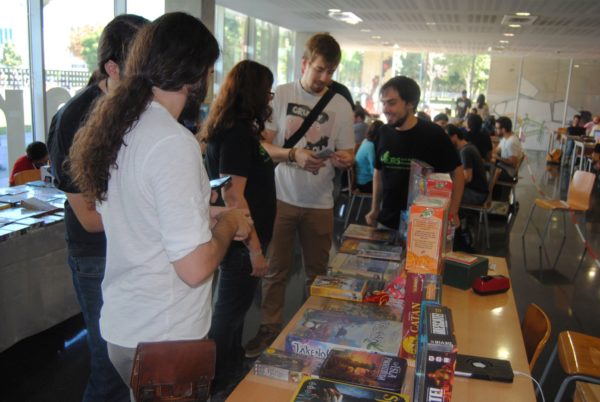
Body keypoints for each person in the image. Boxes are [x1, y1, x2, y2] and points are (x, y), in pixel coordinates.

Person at [67, 12, 253, 389]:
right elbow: (194, 269)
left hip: (127, 327)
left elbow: (143, 212)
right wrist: (230, 223)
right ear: (193, 76)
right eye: (208, 72)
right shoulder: (171, 142)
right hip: (165, 337)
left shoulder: (122, 126)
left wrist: (203, 213)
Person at [46, 14, 149, 402]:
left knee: (136, 361)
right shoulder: (74, 118)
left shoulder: (137, 108)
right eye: (140, 66)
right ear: (112, 67)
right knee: (109, 369)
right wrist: (154, 210)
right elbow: (89, 219)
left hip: (134, 250)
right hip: (97, 256)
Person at [244, 32, 354, 358]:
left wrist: (344, 158)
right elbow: (262, 146)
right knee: (274, 270)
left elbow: (348, 151)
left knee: (318, 273)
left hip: (320, 201)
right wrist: (294, 155)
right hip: (280, 196)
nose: (324, 78)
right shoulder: (280, 95)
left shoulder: (341, 105)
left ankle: (314, 332)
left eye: (331, 72)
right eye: (319, 69)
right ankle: (269, 328)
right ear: (304, 63)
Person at [202, 60, 274, 397]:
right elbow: (234, 198)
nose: (270, 97)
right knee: (227, 314)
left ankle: (229, 372)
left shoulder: (236, 129)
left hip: (241, 238)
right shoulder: (236, 134)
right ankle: (214, 381)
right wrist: (255, 249)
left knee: (235, 312)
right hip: (241, 241)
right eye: (267, 90)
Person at [365, 76, 464, 230]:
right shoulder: (383, 132)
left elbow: (457, 172)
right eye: (383, 103)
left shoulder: (434, 134)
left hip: (425, 221)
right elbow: (379, 171)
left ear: (410, 103)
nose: (385, 109)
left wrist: (453, 211)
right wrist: (375, 208)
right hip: (388, 220)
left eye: (391, 103)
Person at [447, 124, 488, 206]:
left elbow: (467, 178)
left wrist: (450, 185)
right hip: (479, 191)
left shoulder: (465, 151)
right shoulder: (469, 146)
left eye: (447, 138)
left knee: (444, 195)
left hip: (476, 194)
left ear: (454, 136)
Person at [354, 120, 383, 193]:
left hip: (360, 180)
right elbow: (374, 170)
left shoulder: (365, 141)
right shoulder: (371, 146)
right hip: (365, 183)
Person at [493, 116, 523, 181]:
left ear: (503, 129)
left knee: (484, 173)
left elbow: (513, 163)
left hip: (508, 173)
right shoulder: (505, 138)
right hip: (504, 167)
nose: (495, 130)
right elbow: (496, 150)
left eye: (497, 128)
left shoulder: (511, 142)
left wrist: (498, 157)